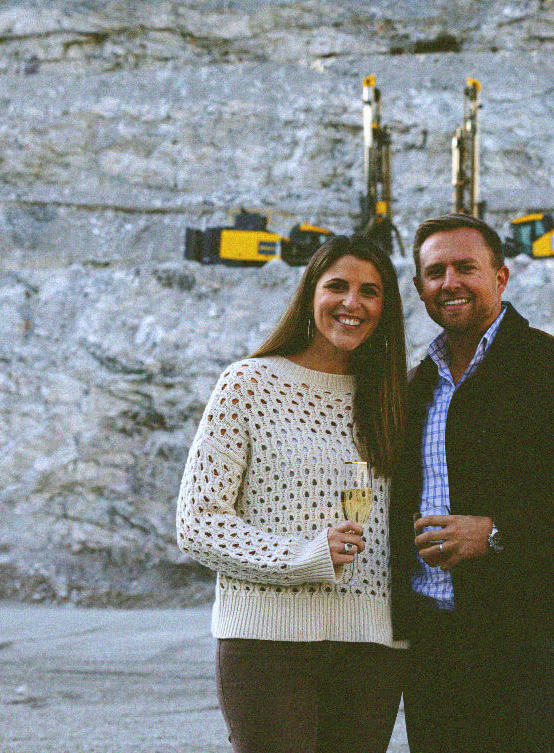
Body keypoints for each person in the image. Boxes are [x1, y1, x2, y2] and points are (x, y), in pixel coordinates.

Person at [389, 213, 554, 753]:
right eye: (435, 273)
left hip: (537, 646)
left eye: (466, 267)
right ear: (419, 288)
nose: (450, 283)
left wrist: (496, 531)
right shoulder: (415, 388)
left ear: (500, 278)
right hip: (437, 653)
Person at [176, 235, 408, 753]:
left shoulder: (396, 397)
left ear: (385, 309)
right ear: (309, 295)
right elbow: (198, 521)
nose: (353, 303)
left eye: (371, 292)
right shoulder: (248, 384)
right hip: (266, 646)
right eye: (338, 287)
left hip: (372, 649)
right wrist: (303, 556)